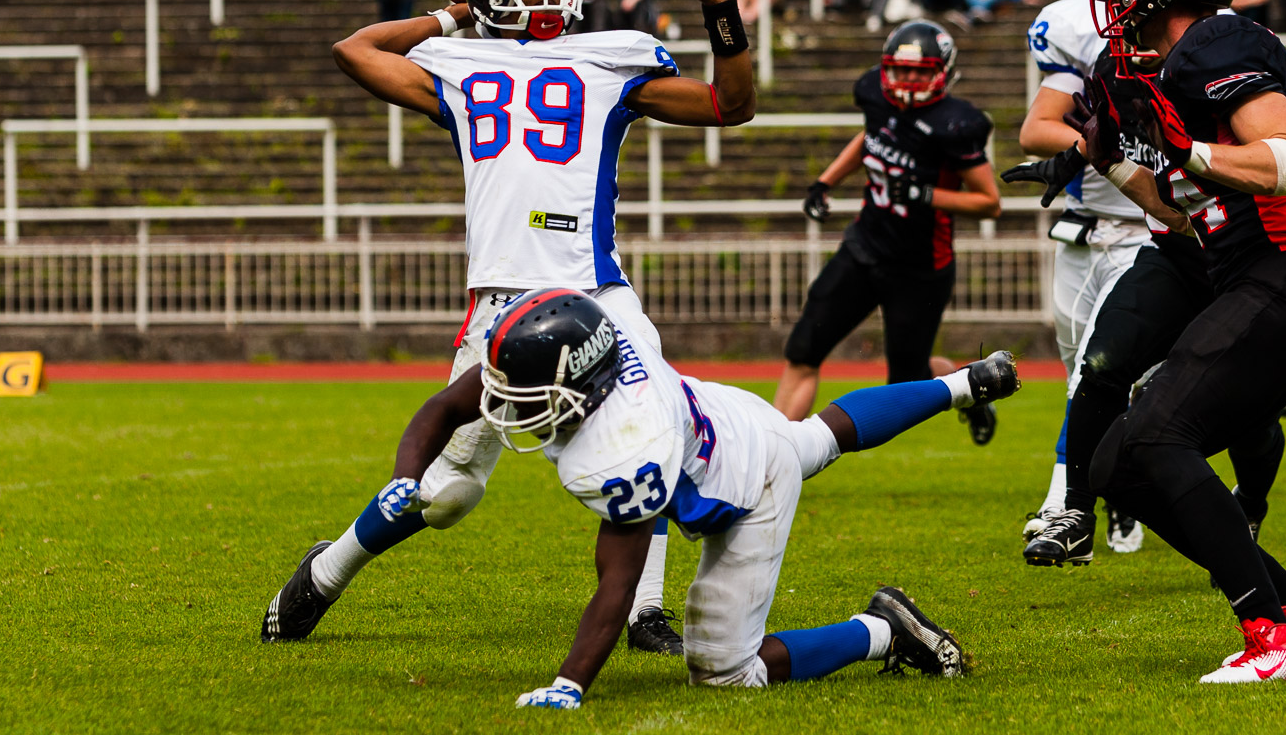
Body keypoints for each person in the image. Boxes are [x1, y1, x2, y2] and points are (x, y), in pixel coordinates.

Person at [262, 0, 757, 658]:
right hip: (503, 301)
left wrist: (723, 12)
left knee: (658, 428)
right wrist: (454, 14)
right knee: (448, 493)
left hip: (598, 289)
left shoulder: (611, 58)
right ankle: (328, 570)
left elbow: (731, 105)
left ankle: (644, 609)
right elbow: (354, 50)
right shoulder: (461, 61)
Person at [309, 289, 1019, 707]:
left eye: (530, 398)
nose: (512, 407)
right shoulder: (597, 346)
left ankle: (883, 631)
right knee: (822, 434)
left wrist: (570, 683)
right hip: (730, 416)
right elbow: (445, 408)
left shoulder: (622, 446)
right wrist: (406, 475)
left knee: (723, 671)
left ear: (577, 388)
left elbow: (617, 586)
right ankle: (962, 382)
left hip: (745, 481)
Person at [1033, 0, 1286, 683]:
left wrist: (1195, 149)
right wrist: (1108, 161)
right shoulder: (1138, 69)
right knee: (1120, 463)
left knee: (1154, 439)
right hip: (1231, 275)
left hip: (1285, 275)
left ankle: (1271, 639)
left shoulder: (1216, 41)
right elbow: (1178, 209)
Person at [777, 21, 1003, 447]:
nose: (909, 79)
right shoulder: (877, 99)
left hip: (919, 269)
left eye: (921, 71)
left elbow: (989, 202)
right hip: (864, 248)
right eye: (901, 70)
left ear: (944, 71)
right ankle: (774, 450)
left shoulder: (956, 125)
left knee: (908, 378)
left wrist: (925, 193)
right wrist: (826, 181)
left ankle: (969, 388)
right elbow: (872, 139)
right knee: (804, 348)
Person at [1007, 0, 1158, 554]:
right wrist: (1080, 148)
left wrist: (1101, 150)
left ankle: (1065, 510)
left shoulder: (1200, 42)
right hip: (1082, 229)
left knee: (1100, 370)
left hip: (1148, 230)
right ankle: (1118, 490)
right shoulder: (1078, 31)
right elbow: (1037, 126)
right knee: (1082, 367)